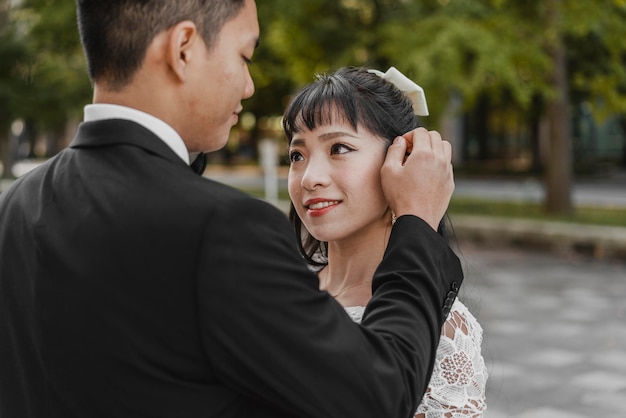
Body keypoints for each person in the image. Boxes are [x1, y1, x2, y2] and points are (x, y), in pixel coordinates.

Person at [0, 1, 463, 417]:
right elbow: (379, 394)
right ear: (184, 48)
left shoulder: (14, 207)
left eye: (339, 148)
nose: (248, 85)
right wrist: (417, 223)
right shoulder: (220, 229)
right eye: (244, 57)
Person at [284, 66, 488, 417]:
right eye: (297, 155)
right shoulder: (280, 288)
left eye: (339, 148)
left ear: (402, 160)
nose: (309, 178)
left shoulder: (442, 330)